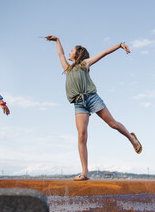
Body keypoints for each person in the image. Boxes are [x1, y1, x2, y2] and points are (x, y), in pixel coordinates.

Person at [46, 35, 142, 181]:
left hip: (92, 98)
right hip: (79, 104)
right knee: (81, 134)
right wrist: (57, 40)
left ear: (78, 54)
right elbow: (61, 53)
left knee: (112, 124)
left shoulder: (84, 64)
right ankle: (85, 172)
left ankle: (132, 139)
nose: (70, 52)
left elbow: (103, 53)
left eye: (72, 50)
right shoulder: (67, 69)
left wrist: (119, 45)